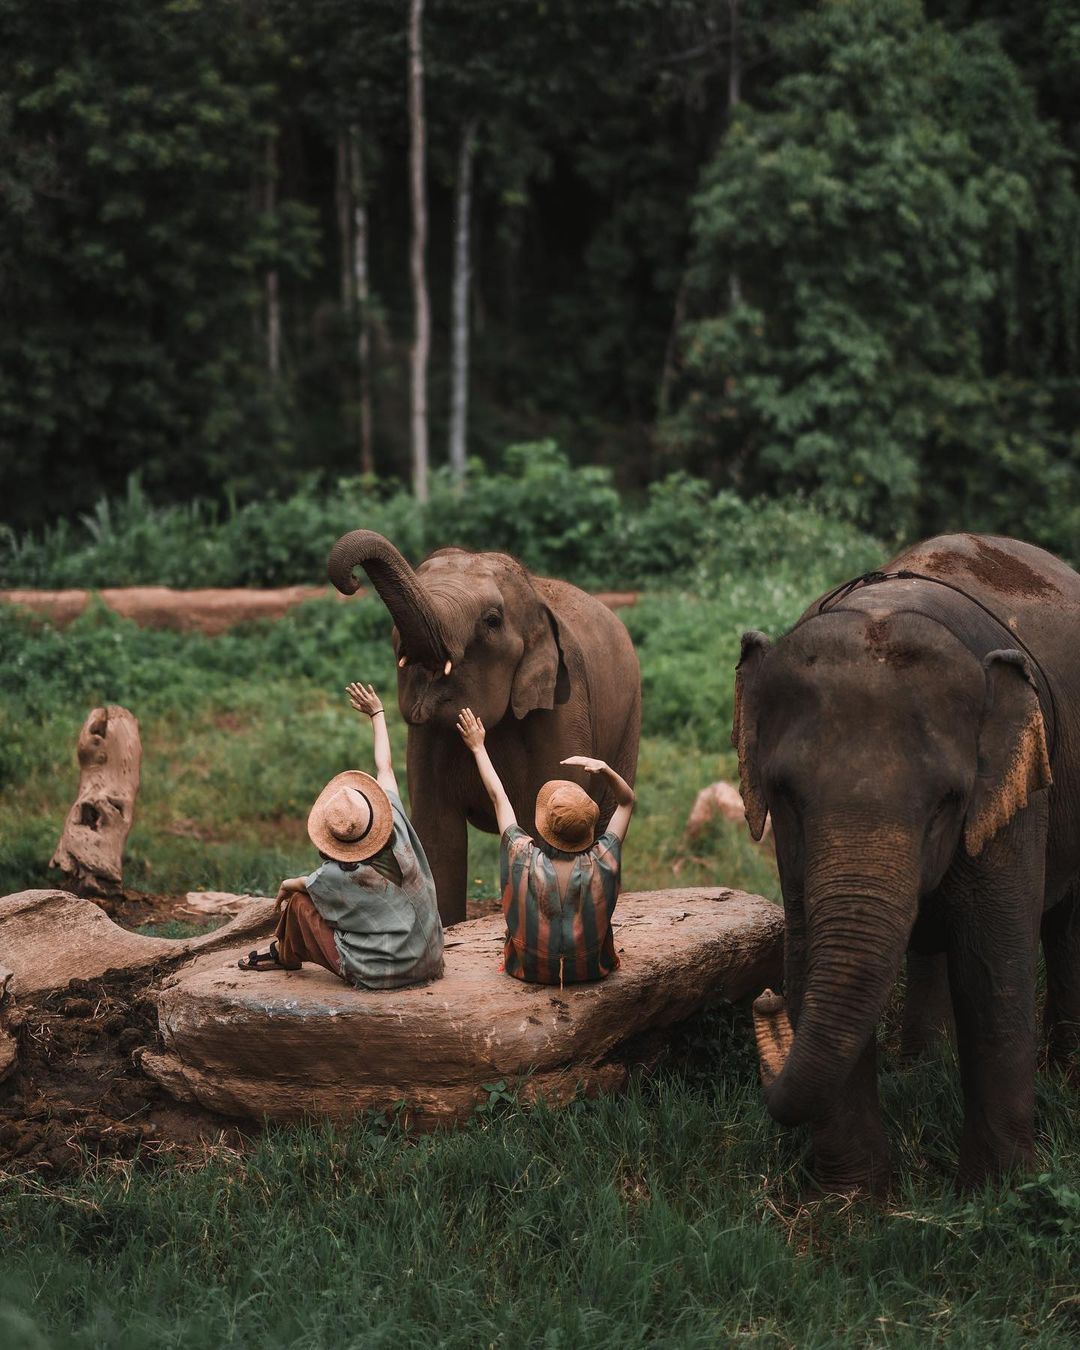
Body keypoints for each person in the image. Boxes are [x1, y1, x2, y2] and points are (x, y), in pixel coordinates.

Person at [238, 683, 444, 989]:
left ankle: (284, 954)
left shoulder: (339, 876)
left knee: (298, 905)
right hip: (431, 956)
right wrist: (377, 713)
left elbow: (303, 885)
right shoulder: (397, 822)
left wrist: (285, 886)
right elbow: (385, 767)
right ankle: (283, 951)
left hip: (386, 974)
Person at [455, 706, 635, 986]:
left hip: (529, 970)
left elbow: (498, 797)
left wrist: (478, 747)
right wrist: (606, 769)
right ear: (588, 830)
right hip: (588, 970)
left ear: (545, 827)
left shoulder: (521, 855)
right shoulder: (604, 859)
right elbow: (626, 802)